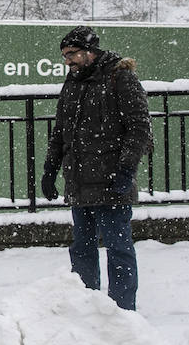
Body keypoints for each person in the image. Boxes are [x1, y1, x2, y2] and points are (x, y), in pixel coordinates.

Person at [41, 25, 153, 310]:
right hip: (79, 182)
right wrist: (50, 170)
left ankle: (122, 313)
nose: (68, 61)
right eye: (65, 56)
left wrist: (126, 170)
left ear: (90, 51)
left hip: (111, 180)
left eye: (72, 54)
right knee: (82, 250)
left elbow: (139, 128)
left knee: (118, 249)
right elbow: (61, 130)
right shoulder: (73, 82)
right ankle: (87, 307)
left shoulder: (120, 77)